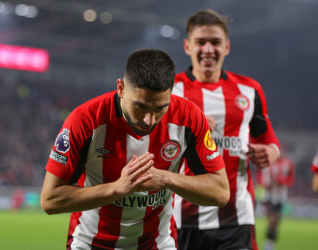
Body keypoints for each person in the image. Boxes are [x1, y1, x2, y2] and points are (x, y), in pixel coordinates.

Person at [40, 48, 230, 250]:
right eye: (140, 106)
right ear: (121, 88)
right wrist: (117, 188)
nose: (149, 120)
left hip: (157, 244)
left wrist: (166, 178)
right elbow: (50, 200)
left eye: (159, 108)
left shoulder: (189, 118)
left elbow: (220, 193)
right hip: (90, 243)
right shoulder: (85, 120)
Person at [172, 10, 280, 250]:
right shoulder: (171, 92)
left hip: (236, 219)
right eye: (200, 42)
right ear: (188, 46)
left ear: (227, 46)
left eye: (215, 42)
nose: (208, 49)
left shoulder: (249, 90)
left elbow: (268, 137)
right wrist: (190, 125)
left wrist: (272, 151)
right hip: (182, 220)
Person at [256, 156, 295, 250]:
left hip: (280, 198)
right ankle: (269, 244)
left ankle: (270, 242)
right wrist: (265, 183)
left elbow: (290, 179)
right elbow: (260, 177)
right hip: (268, 197)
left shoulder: (287, 163)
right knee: (272, 221)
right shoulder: (267, 163)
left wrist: (282, 181)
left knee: (275, 223)